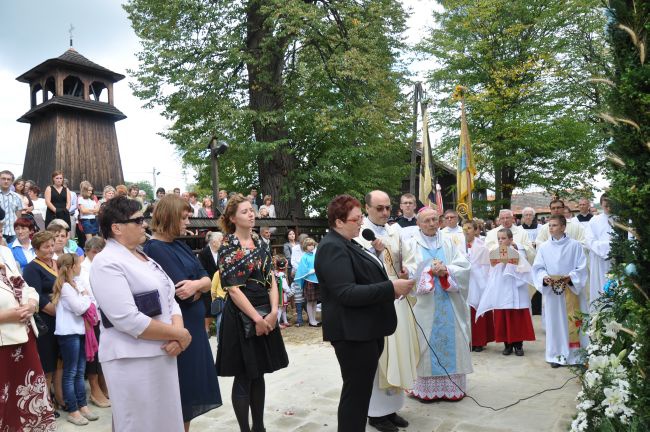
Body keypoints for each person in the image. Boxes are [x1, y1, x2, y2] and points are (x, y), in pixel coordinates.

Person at [90, 195, 191, 431]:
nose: (144, 224)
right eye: (138, 220)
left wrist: (177, 333)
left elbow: (170, 298)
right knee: (139, 423)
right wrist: (180, 335)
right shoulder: (106, 262)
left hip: (162, 352)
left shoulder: (144, 256)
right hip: (132, 359)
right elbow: (127, 318)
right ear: (117, 228)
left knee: (165, 420)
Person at [314, 195, 414, 432]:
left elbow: (364, 275)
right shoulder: (331, 247)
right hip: (352, 333)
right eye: (356, 219)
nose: (361, 223)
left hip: (365, 330)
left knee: (360, 393)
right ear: (339, 222)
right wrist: (390, 288)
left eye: (360, 218)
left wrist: (381, 262)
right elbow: (346, 292)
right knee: (355, 396)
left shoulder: (349, 243)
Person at [143, 195, 222, 430]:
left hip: (194, 328)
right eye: (184, 217)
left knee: (188, 393)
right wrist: (199, 285)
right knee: (180, 393)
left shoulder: (180, 244)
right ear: (169, 217)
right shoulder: (155, 248)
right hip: (179, 328)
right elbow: (180, 289)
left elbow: (206, 277)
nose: (188, 222)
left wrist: (198, 285)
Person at [216, 193, 288, 432]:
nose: (251, 214)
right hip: (240, 315)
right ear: (233, 218)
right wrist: (257, 318)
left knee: (259, 374)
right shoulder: (228, 245)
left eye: (251, 210)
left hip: (266, 311)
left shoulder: (260, 241)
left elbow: (271, 280)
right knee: (244, 375)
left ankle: (259, 427)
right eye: (245, 211)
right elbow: (233, 289)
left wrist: (274, 311)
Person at [355, 190, 418, 432]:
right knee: (380, 357)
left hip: (398, 297)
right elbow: (360, 267)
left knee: (399, 354)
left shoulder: (396, 230)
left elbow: (411, 258)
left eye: (388, 208)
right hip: (377, 297)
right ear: (367, 208)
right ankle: (375, 413)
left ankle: (392, 409)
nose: (384, 213)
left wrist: (406, 272)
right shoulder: (360, 234)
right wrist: (375, 252)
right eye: (379, 208)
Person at [402, 207, 472, 401]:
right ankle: (425, 389)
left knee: (454, 339)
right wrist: (427, 272)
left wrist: (447, 270)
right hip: (424, 305)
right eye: (427, 221)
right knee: (424, 342)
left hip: (450, 302)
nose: (432, 224)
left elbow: (465, 266)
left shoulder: (449, 241)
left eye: (434, 219)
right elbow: (407, 270)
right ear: (418, 223)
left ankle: (453, 387)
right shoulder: (411, 245)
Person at [0, 253, 56, 430]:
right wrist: (7, 316)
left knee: (30, 396)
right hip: (4, 346)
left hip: (25, 340)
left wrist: (32, 304)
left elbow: (28, 289)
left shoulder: (5, 261)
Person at [532, 215, 588, 368]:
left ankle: (576, 355)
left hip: (571, 289)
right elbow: (538, 267)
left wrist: (571, 277)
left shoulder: (575, 245)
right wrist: (544, 278)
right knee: (555, 323)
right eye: (550, 225)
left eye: (554, 225)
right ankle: (556, 355)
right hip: (553, 292)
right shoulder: (543, 247)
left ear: (563, 227)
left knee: (574, 321)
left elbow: (582, 267)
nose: (551, 228)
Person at [51, 253, 99, 425]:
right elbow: (80, 308)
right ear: (71, 267)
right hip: (68, 333)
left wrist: (87, 298)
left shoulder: (76, 283)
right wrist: (86, 298)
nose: (80, 266)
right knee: (70, 372)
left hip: (79, 331)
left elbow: (93, 301)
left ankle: (82, 405)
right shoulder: (65, 287)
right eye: (78, 264)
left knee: (80, 371)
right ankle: (72, 409)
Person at [476, 228, 536, 356]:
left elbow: (525, 270)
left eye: (503, 238)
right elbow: (491, 272)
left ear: (510, 240)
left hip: (516, 289)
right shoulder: (494, 252)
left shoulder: (518, 253)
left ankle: (518, 345)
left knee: (517, 317)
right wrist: (496, 264)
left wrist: (511, 265)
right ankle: (507, 344)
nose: (500, 241)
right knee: (502, 315)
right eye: (499, 238)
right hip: (502, 289)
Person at [22, 231, 64, 410]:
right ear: (36, 249)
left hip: (64, 318)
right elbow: (36, 294)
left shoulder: (57, 263)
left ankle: (61, 397)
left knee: (60, 360)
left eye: (52, 245)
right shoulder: (32, 268)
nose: (50, 249)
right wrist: (55, 311)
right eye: (46, 247)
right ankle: (46, 403)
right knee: (47, 362)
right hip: (47, 319)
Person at [76, 236, 110, 408]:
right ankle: (95, 389)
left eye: (100, 252)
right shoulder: (82, 269)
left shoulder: (104, 265)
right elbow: (86, 293)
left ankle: (104, 385)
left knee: (103, 352)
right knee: (93, 354)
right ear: (87, 251)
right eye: (94, 252)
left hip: (105, 313)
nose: (97, 255)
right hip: (91, 315)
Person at [462, 219, 493, 352]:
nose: (466, 230)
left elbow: (486, 267)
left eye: (469, 228)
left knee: (477, 311)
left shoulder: (482, 247)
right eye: (464, 228)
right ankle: (466, 340)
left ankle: (479, 341)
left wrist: (475, 269)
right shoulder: (457, 245)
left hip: (477, 282)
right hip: (464, 282)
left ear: (476, 231)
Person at [585, 194, 614, 309]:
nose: (608, 208)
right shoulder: (595, 220)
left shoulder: (621, 219)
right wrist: (608, 248)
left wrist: (614, 249)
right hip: (599, 261)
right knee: (600, 288)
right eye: (606, 205)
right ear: (601, 204)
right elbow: (589, 240)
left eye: (610, 205)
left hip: (616, 260)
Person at [198, 231, 223, 333]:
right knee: (208, 305)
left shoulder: (223, 252)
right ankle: (206, 328)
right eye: (221, 241)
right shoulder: (204, 253)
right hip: (208, 283)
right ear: (213, 242)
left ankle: (219, 327)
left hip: (221, 284)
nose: (222, 243)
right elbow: (201, 269)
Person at [294, 237, 320, 327]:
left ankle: (314, 319)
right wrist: (309, 271)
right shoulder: (304, 257)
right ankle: (311, 320)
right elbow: (302, 269)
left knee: (315, 301)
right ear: (305, 247)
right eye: (309, 245)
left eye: (312, 245)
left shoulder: (315, 255)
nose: (311, 247)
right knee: (310, 301)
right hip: (309, 281)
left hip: (316, 280)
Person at [0, 170, 24, 244]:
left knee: (12, 254)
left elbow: (18, 216)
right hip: (0, 232)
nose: (6, 181)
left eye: (8, 179)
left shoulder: (17, 197)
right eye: (3, 179)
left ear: (12, 182)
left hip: (13, 232)